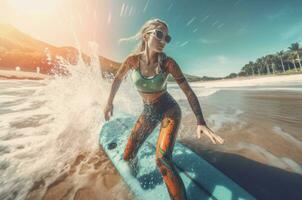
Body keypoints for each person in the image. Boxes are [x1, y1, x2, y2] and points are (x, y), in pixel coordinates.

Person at [104, 18, 224, 200]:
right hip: (149, 111)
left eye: (167, 38)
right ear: (146, 36)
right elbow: (118, 79)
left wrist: (201, 120)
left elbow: (188, 91)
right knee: (128, 157)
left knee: (161, 160)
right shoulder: (132, 61)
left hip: (169, 110)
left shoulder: (168, 64)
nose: (163, 40)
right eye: (159, 34)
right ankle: (135, 177)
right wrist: (109, 102)